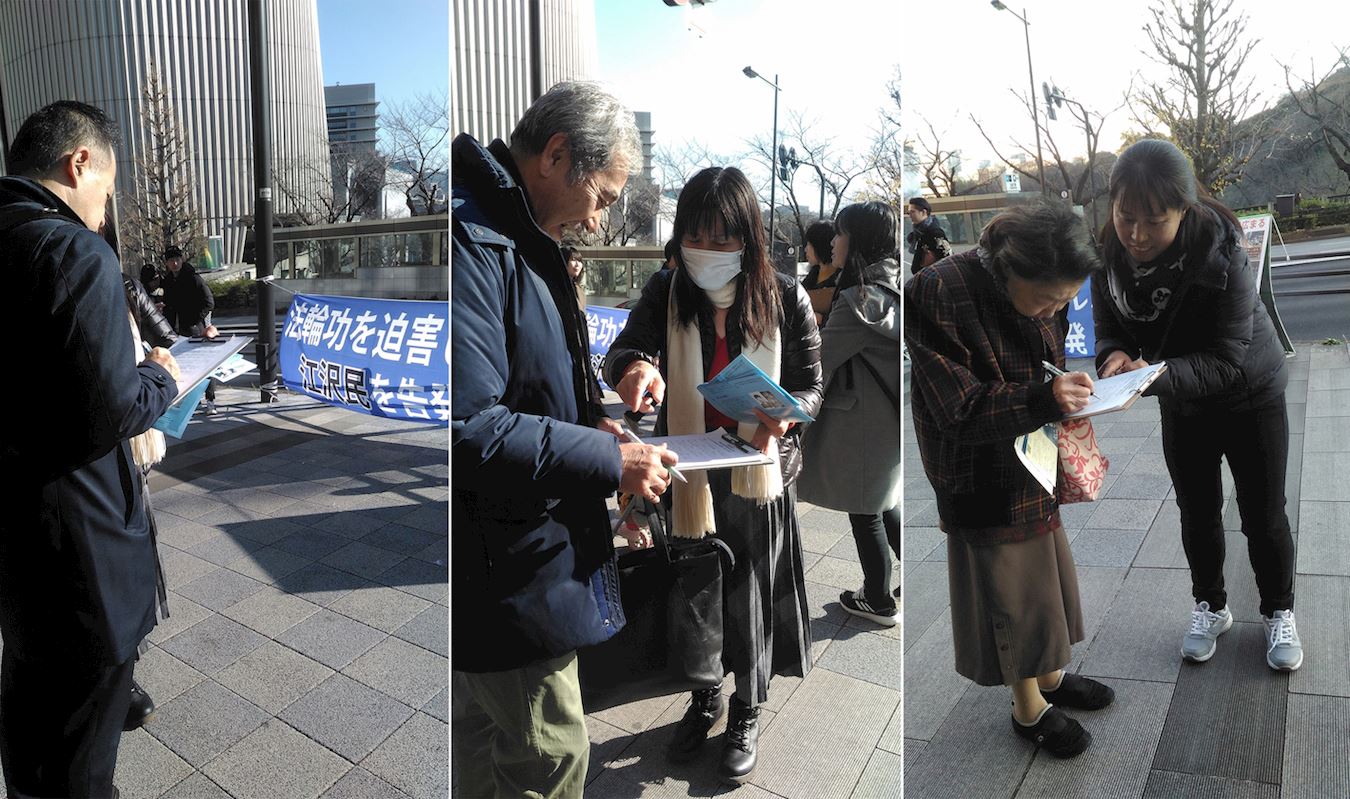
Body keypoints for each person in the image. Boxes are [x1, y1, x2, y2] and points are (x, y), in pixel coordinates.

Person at [451, 80, 678, 799]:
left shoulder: (521, 234)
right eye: (604, 195)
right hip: (507, 570)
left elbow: (530, 391)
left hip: (522, 556)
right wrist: (611, 456)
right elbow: (472, 426)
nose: (602, 217)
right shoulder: (477, 242)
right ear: (555, 156)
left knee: (492, 753)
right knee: (551, 760)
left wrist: (596, 425)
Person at [604, 165, 823, 784]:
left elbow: (811, 384)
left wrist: (788, 417)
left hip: (758, 473)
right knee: (694, 594)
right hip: (687, 475)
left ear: (749, 239)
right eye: (698, 238)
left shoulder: (784, 294)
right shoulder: (666, 290)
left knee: (748, 593)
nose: (711, 253)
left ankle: (747, 711)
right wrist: (633, 371)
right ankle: (705, 698)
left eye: (726, 239)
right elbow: (628, 348)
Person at [0, 100, 181, 798]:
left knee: (32, 741)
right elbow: (115, 407)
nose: (104, 212)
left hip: (17, 549)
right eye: (107, 189)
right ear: (79, 163)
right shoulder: (72, 249)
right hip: (85, 555)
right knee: (81, 768)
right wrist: (161, 376)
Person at [906, 201, 1116, 759]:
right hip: (976, 465)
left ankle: (1049, 677)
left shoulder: (1044, 292)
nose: (1054, 310)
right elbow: (957, 407)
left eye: (1065, 301)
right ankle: (1029, 709)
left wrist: (1067, 392)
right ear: (1010, 269)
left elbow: (1045, 361)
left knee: (1043, 570)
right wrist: (1044, 398)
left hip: (1033, 446)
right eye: (1048, 299)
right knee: (1005, 587)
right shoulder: (935, 291)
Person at [1093, 138, 1301, 671]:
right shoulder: (1109, 255)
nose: (1136, 235)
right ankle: (1210, 605)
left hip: (1248, 394)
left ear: (1184, 210)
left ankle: (1279, 610)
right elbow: (1108, 328)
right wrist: (1114, 354)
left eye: (1153, 221)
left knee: (1263, 514)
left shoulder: (1221, 249)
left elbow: (1228, 359)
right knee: (1197, 510)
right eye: (1125, 217)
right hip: (1182, 399)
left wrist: (1153, 375)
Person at [797, 202, 902, 626]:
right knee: (883, 500)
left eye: (840, 234)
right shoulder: (892, 288)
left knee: (865, 510)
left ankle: (877, 599)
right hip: (888, 419)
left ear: (854, 241)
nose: (834, 242)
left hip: (865, 424)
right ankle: (889, 584)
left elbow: (821, 359)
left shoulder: (858, 299)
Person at [159, 244, 218, 413]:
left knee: (205, 365)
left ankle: (210, 400)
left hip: (195, 328)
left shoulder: (193, 278)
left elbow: (209, 302)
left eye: (177, 259)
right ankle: (193, 399)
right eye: (171, 261)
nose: (175, 263)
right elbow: (171, 304)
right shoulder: (168, 281)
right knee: (186, 367)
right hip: (177, 330)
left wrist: (196, 320)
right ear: (167, 263)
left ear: (182, 259)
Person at [800, 219, 839, 325]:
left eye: (809, 244)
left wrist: (822, 319)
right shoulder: (812, 276)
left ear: (820, 245)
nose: (806, 249)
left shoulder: (842, 280)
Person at [906, 196, 952, 274]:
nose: (910, 215)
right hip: (923, 276)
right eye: (908, 213)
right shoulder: (919, 232)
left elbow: (948, 257)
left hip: (933, 278)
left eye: (912, 212)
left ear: (924, 212)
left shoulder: (935, 233)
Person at [562, 244, 587, 309]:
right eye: (573, 260)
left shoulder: (579, 289)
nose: (577, 264)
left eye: (579, 261)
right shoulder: (557, 286)